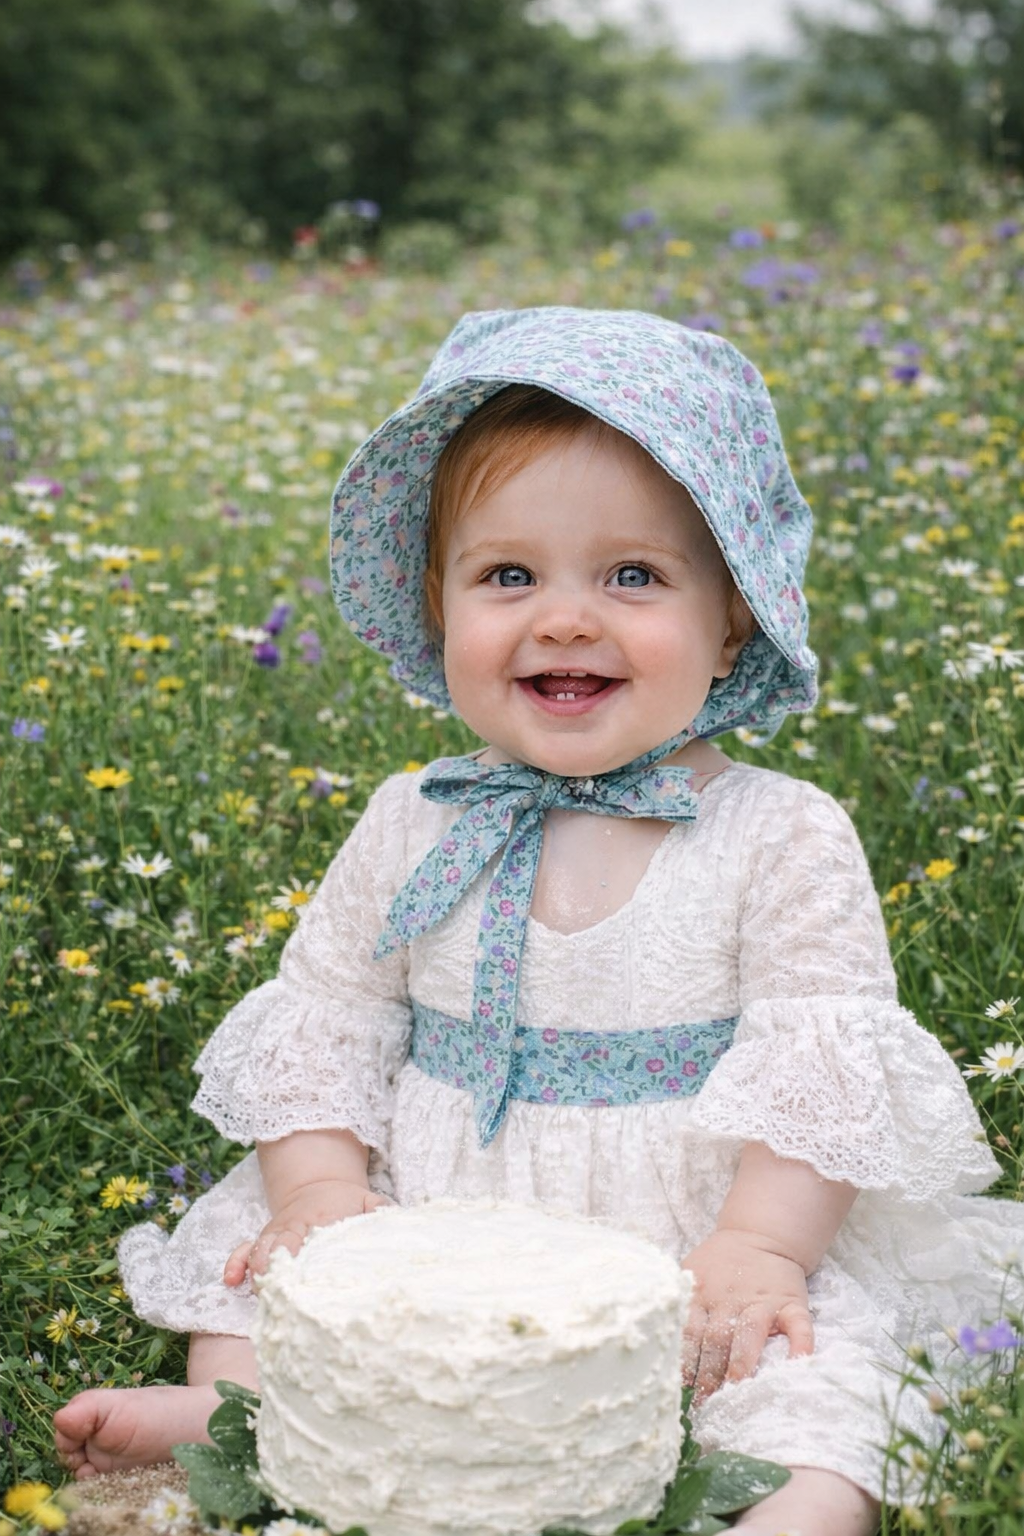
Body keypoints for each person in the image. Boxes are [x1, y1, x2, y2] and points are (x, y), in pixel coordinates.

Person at [55, 307, 1023, 1535]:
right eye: (508, 576)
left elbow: (817, 1067)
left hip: (692, 1230)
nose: (565, 618)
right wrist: (317, 1188)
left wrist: (763, 1248)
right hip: (437, 1213)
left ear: (731, 619)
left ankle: (788, 1510)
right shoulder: (412, 816)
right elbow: (330, 1016)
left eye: (633, 576)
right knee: (263, 1288)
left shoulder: (778, 833)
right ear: (438, 604)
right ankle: (245, 1422)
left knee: (809, 1383)